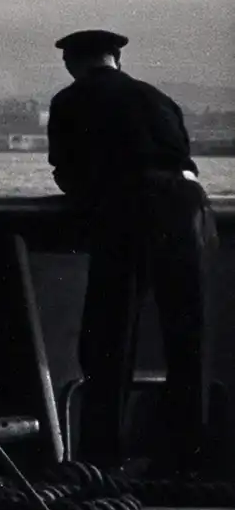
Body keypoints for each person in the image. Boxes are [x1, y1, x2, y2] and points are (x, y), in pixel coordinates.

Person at [47, 29, 218, 474]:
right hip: (190, 206)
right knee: (188, 333)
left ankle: (103, 456)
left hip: (128, 208)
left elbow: (67, 172)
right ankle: (190, 455)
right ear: (117, 59)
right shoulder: (157, 97)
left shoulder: (71, 101)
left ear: (73, 64)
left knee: (111, 332)